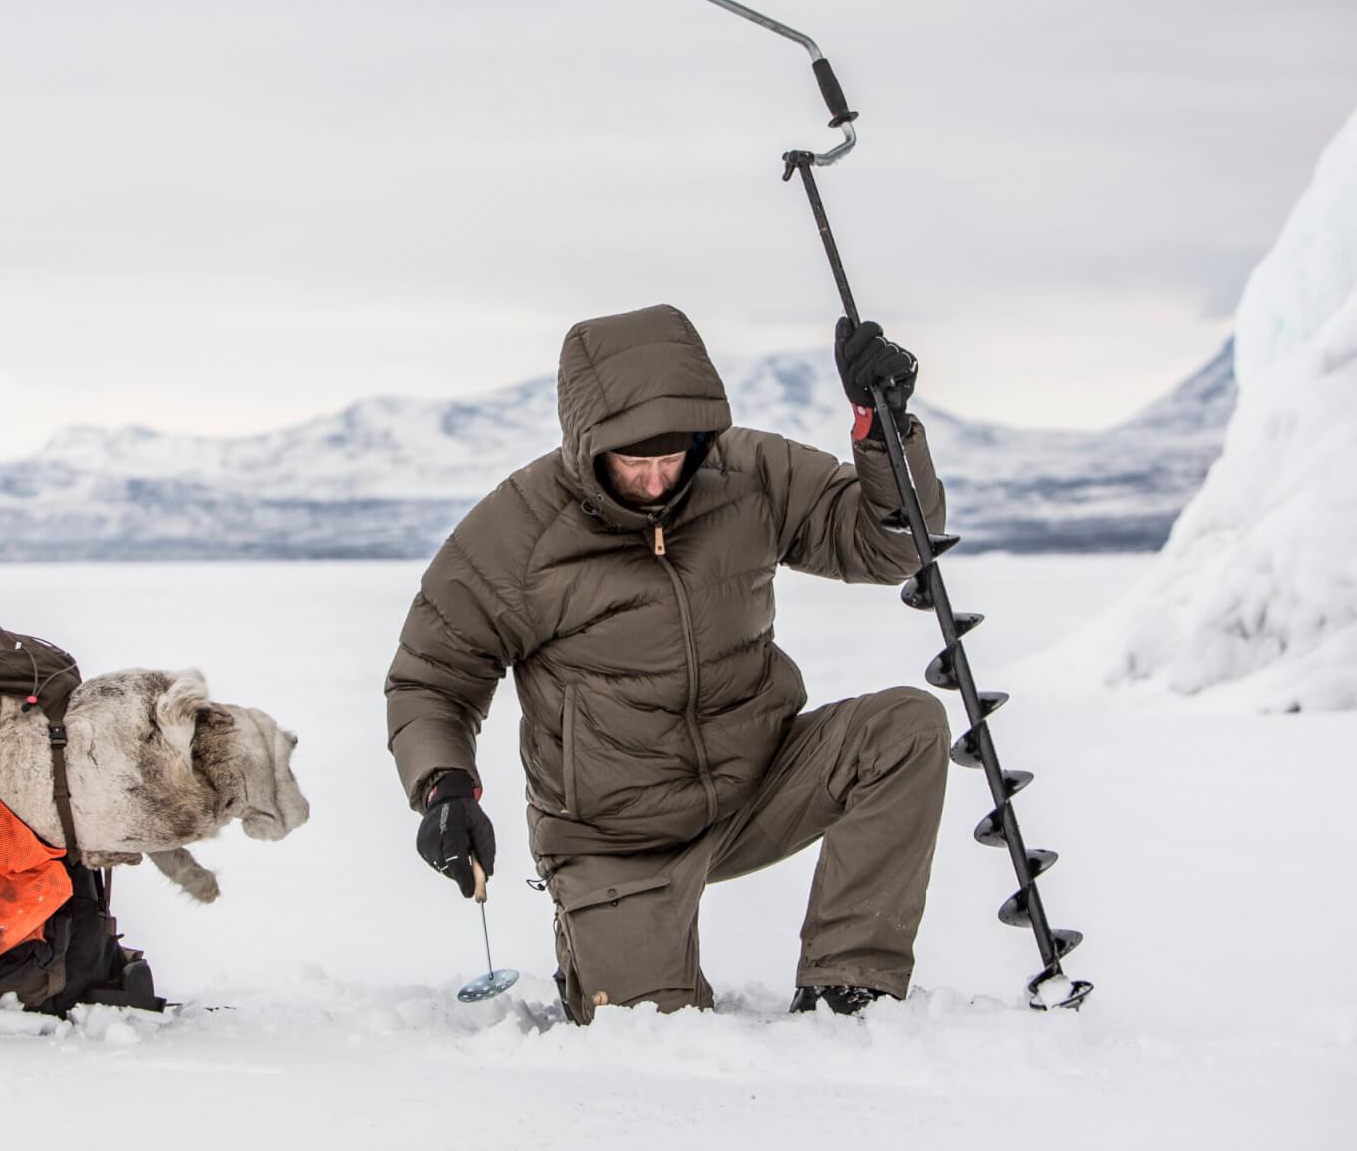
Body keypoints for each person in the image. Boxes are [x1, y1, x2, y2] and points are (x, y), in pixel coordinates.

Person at [385, 303, 952, 1022]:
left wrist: (884, 433)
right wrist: (445, 786)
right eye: (633, 462)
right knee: (654, 1035)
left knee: (905, 729)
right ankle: (597, 936)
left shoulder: (747, 473)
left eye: (671, 458)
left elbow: (891, 545)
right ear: (587, 443)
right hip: (613, 838)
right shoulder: (517, 533)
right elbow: (431, 676)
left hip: (757, 780)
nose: (656, 482)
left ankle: (850, 982)